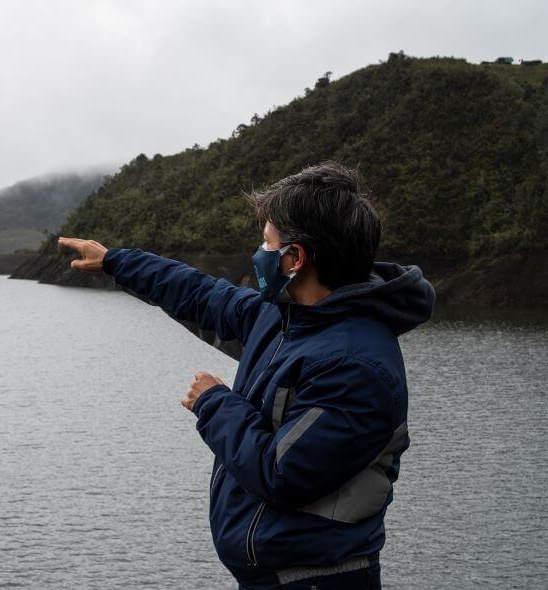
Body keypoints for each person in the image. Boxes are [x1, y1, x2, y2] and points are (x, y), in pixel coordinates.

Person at [58, 161, 435, 589]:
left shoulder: (355, 366)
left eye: (266, 242)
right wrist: (115, 262)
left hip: (317, 580)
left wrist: (214, 403)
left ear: (294, 259)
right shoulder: (284, 317)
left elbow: (282, 472)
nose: (259, 254)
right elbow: (201, 294)